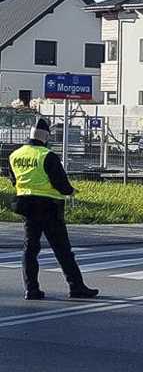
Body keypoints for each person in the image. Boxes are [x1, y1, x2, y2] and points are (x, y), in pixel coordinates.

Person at [7, 118, 99, 300]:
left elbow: (14, 180)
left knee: (30, 249)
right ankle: (76, 287)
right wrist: (71, 191)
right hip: (49, 208)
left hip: (26, 206)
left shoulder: (15, 155)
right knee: (62, 249)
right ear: (47, 137)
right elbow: (61, 184)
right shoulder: (47, 156)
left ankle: (31, 289)